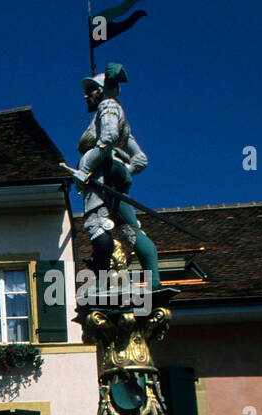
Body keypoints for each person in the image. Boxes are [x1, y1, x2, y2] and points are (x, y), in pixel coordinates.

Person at [75, 63, 164, 301]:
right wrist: (125, 170)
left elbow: (108, 137)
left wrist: (85, 169)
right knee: (130, 229)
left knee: (99, 228)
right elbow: (141, 159)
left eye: (91, 89)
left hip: (101, 182)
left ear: (102, 91)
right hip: (115, 184)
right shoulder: (119, 115)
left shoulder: (108, 106)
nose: (86, 95)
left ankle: (102, 282)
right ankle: (154, 278)